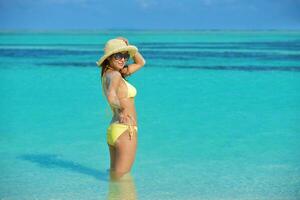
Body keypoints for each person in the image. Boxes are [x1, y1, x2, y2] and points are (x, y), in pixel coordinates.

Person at [96, 37, 146, 180]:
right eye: (118, 55)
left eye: (125, 56)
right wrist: (121, 111)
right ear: (109, 58)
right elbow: (111, 96)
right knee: (122, 179)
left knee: (114, 177)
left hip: (115, 129)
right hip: (125, 129)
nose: (122, 59)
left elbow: (141, 62)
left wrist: (128, 46)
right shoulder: (116, 75)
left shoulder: (109, 74)